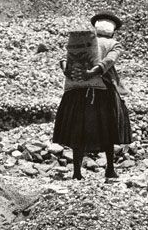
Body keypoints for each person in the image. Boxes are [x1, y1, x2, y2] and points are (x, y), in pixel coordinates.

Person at [53, 12, 132, 181]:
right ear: (113, 31)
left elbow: (64, 58)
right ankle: (110, 169)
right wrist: (94, 71)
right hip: (102, 92)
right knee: (109, 128)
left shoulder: (85, 42)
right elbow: (109, 61)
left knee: (77, 129)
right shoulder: (114, 44)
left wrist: (68, 69)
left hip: (77, 93)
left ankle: (77, 172)